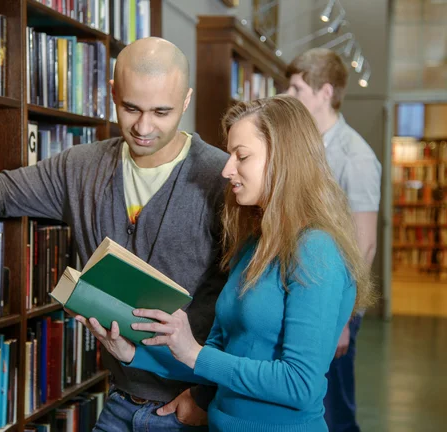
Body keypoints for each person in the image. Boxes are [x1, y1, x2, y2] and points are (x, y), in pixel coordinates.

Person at [0, 37, 229, 430]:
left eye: (162, 112)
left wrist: (208, 398)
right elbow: (5, 188)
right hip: (119, 400)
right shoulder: (81, 167)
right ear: (113, 93)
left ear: (185, 102)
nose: (143, 127)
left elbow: (248, 309)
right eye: (130, 108)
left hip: (191, 408)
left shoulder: (222, 179)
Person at [76, 95, 377, 432]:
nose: (226, 168)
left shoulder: (316, 249)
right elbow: (216, 360)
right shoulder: (254, 244)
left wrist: (195, 353)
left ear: (285, 160)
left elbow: (299, 384)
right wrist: (132, 353)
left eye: (242, 156)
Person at [286, 48, 381, 432]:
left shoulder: (354, 156)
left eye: (296, 88)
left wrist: (343, 318)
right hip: (304, 291)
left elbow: (365, 244)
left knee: (334, 408)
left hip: (336, 305)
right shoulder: (307, 148)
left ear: (325, 92)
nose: (288, 96)